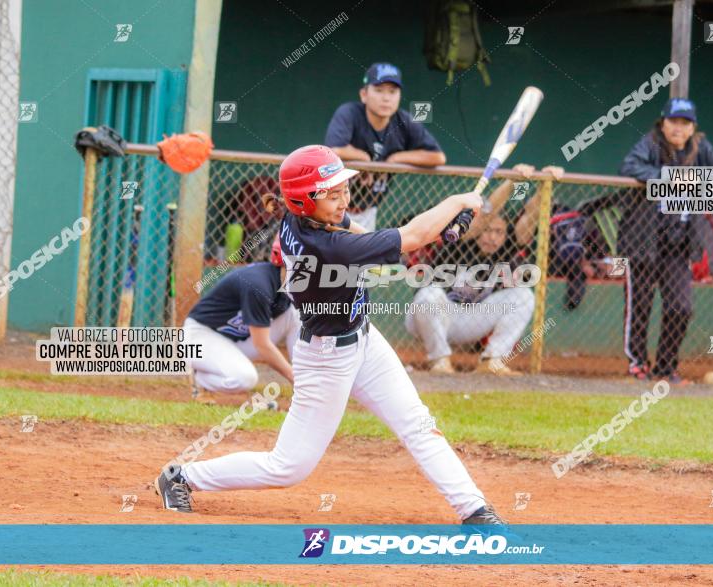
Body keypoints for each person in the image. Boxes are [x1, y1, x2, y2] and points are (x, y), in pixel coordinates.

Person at [154, 145, 505, 526]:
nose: (343, 201)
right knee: (287, 468)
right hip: (325, 358)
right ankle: (182, 476)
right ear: (304, 201)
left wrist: (442, 224)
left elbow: (385, 236)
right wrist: (456, 202)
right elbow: (411, 235)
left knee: (417, 423)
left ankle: (474, 510)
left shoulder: (305, 219)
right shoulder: (324, 246)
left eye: (343, 190)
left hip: (364, 340)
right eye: (332, 194)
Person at [405, 164, 563, 375]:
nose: (492, 237)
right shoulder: (462, 239)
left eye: (499, 232)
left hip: (471, 318)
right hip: (431, 315)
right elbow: (486, 215)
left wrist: (545, 184)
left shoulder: (506, 247)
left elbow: (530, 218)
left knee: (524, 295)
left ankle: (492, 360)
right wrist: (511, 182)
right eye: (488, 231)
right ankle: (440, 361)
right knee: (429, 294)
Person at [618, 98, 713, 385]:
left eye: (685, 123)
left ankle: (665, 366)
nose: (679, 128)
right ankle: (637, 363)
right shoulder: (650, 144)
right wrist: (671, 177)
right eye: (673, 122)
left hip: (677, 243)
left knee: (681, 306)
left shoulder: (700, 147)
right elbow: (628, 167)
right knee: (639, 306)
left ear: (692, 128)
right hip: (643, 239)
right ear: (663, 123)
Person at [324, 62, 446, 230]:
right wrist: (365, 159)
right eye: (379, 90)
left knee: (361, 253)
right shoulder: (349, 113)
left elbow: (437, 157)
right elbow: (334, 149)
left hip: (368, 211)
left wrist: (396, 158)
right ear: (364, 94)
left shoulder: (405, 121)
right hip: (328, 206)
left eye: (392, 91)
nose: (386, 98)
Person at [183, 259, 299, 404]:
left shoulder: (289, 286)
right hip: (200, 336)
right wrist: (294, 377)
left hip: (234, 341)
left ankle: (304, 388)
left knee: (297, 315)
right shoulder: (258, 284)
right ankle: (201, 378)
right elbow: (262, 345)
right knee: (245, 378)